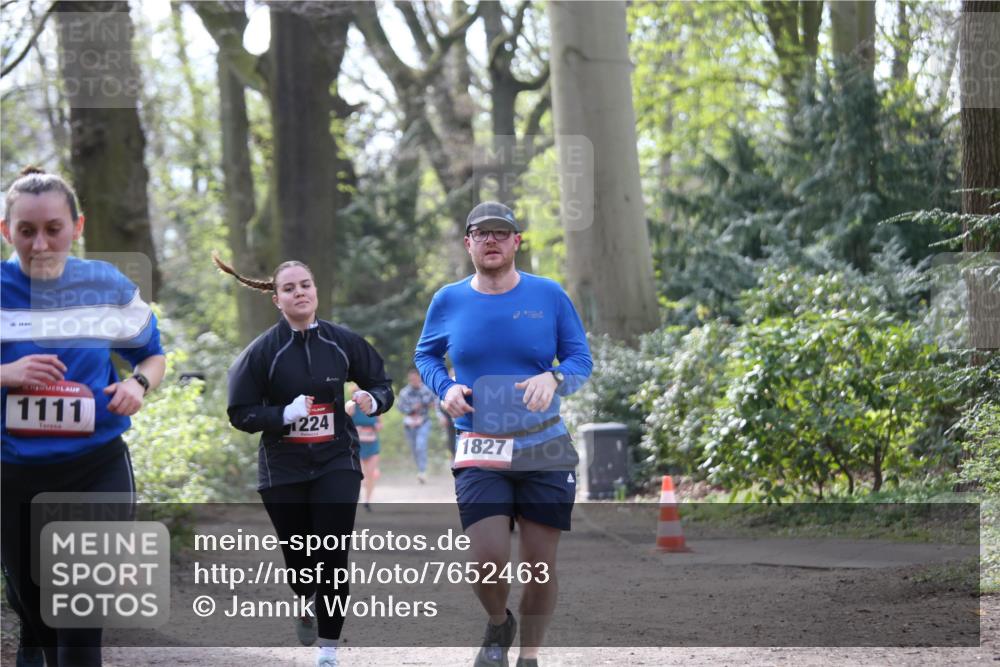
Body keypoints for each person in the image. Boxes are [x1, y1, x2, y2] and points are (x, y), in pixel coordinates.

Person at [414, 201, 592, 667]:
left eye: (501, 232)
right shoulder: (448, 300)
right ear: (468, 243)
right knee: (486, 561)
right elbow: (426, 356)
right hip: (480, 444)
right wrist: (446, 387)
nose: (491, 240)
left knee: (539, 567)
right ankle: (498, 622)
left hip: (544, 444)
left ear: (517, 241)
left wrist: (554, 377)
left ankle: (529, 656)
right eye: (481, 233)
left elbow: (580, 360)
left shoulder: (549, 295)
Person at [1, 166, 166, 667]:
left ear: (77, 226)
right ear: (6, 231)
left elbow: (152, 357)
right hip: (13, 474)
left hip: (95, 468)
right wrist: (6, 372)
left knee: (77, 620)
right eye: (26, 231)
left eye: (54, 229)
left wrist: (137, 385)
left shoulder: (105, 285)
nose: (40, 244)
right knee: (36, 615)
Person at [217, 254, 393, 667]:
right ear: (276, 299)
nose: (299, 293)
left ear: (315, 291)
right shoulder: (262, 352)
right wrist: (282, 415)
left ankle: (328, 650)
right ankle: (305, 596)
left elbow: (381, 384)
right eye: (289, 288)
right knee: (300, 561)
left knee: (332, 553)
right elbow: (240, 413)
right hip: (283, 467)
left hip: (336, 460)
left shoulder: (342, 342)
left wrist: (373, 399)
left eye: (305, 285)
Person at [345, 383, 382, 511]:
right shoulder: (351, 406)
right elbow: (344, 424)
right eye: (357, 393)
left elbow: (379, 424)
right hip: (356, 446)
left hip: (372, 444)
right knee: (358, 474)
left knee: (370, 473)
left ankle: (367, 501)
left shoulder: (374, 406)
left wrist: (376, 426)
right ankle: (357, 494)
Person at [397, 368, 437, 483]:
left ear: (419, 378)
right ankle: (420, 469)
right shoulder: (404, 392)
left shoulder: (426, 390)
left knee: (421, 445)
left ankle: (422, 471)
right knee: (414, 449)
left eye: (415, 379)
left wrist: (426, 405)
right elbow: (400, 407)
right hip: (409, 424)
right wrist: (412, 409)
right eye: (411, 379)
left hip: (423, 422)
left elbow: (434, 402)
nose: (413, 381)